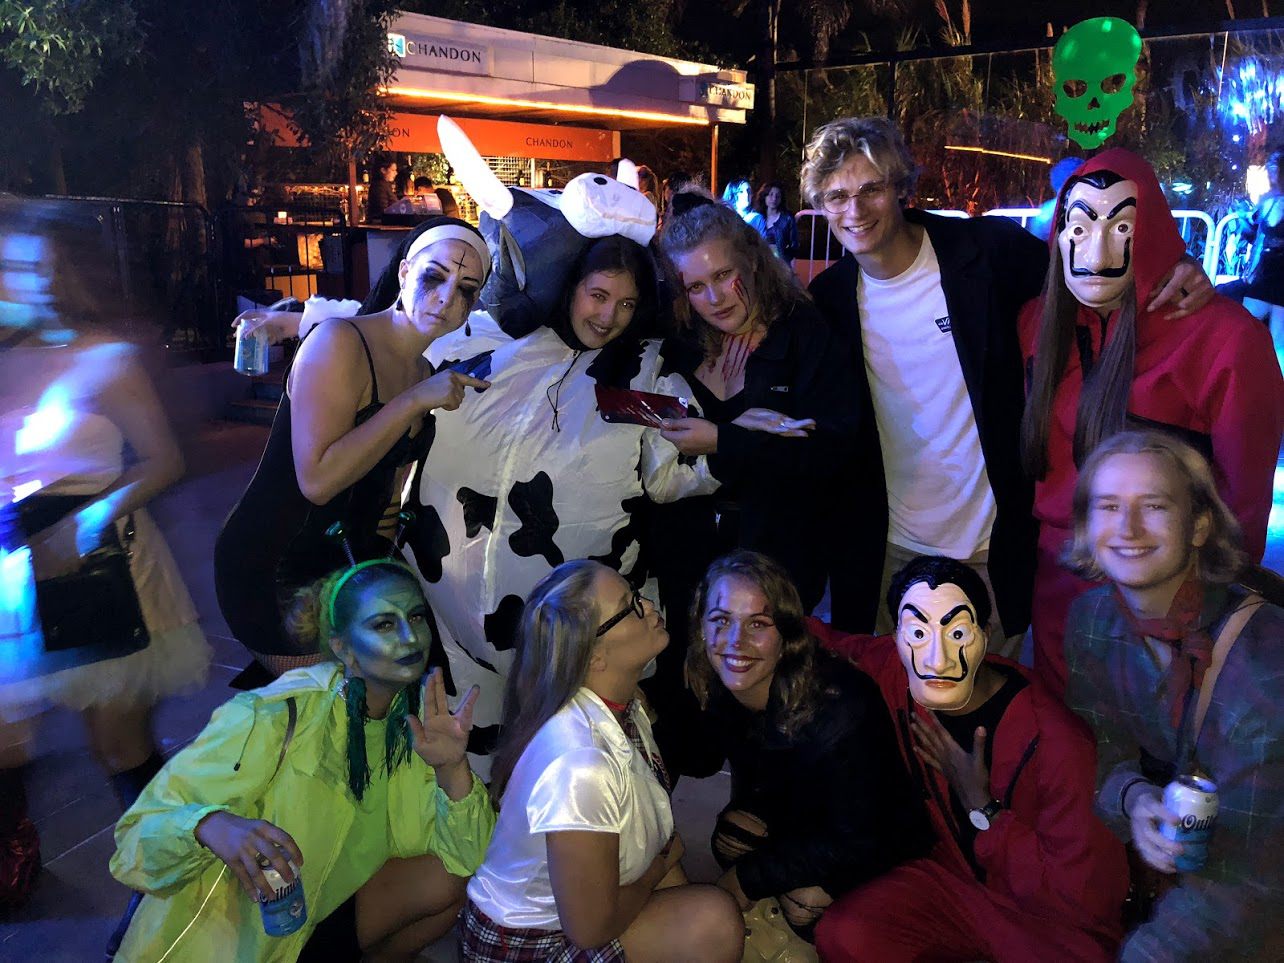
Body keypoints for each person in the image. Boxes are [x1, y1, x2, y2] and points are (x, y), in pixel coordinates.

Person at [802, 115, 1213, 641]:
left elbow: (1088, 276)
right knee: (889, 690)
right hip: (887, 549)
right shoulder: (829, 301)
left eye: (871, 189)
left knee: (994, 690)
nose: (855, 211)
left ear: (901, 188)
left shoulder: (989, 254)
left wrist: (1176, 262)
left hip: (989, 548)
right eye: (836, 197)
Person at [403, 235, 720, 774]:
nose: (608, 316)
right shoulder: (493, 340)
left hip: (573, 647)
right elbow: (393, 339)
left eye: (626, 303)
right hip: (449, 620)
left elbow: (676, 475)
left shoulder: (645, 372)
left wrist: (731, 434)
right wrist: (303, 321)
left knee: (575, 783)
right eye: (598, 295)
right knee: (461, 773)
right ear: (570, 287)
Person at [110, 559, 495, 962]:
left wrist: (452, 770)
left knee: (447, 882)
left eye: (416, 617)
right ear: (343, 649)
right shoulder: (272, 717)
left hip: (312, 916)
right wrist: (207, 825)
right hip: (238, 941)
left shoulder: (411, 726)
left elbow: (466, 859)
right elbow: (134, 840)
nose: (410, 637)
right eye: (384, 624)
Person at [0, 201, 210, 909]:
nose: (23, 278)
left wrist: (84, 522)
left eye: (39, 264)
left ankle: (180, 881)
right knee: (5, 738)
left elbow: (164, 459)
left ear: (69, 271)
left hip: (104, 565)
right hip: (15, 572)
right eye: (11, 263)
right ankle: (15, 870)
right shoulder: (8, 353)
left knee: (117, 745)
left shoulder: (107, 358)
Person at [1019, 148, 1284, 693]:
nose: (1097, 250)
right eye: (1080, 226)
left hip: (1166, 612)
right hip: (1055, 600)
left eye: (1121, 227)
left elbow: (1244, 507)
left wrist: (1206, 618)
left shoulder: (1225, 340)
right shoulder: (1035, 324)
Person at [811, 555, 1128, 962]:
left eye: (958, 633)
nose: (937, 659)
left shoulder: (1060, 742)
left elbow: (1083, 901)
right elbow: (829, 643)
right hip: (955, 884)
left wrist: (984, 810)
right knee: (846, 934)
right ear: (897, 639)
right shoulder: (895, 672)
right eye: (918, 633)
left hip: (1048, 920)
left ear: (985, 634)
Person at [215, 217, 491, 677]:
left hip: (346, 561)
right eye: (434, 276)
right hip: (275, 564)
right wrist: (413, 402)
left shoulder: (423, 371)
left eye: (466, 289)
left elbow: (388, 484)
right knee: (325, 706)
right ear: (404, 272)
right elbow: (318, 481)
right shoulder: (340, 342)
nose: (446, 298)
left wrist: (384, 544)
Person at [1063, 430, 1284, 960]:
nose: (1128, 528)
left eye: (1154, 506)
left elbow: (1247, 883)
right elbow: (1100, 749)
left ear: (1200, 525)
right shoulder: (1092, 622)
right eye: (1108, 506)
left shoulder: (1263, 667)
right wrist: (1135, 798)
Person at [461, 560, 743, 962]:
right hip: (523, 945)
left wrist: (667, 871)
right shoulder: (581, 763)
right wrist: (657, 870)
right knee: (714, 922)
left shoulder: (623, 707)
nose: (649, 605)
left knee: (701, 915)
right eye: (631, 606)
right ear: (594, 655)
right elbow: (589, 930)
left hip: (563, 924)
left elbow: (658, 840)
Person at [681, 551, 932, 948]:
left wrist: (749, 878)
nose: (735, 642)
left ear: (787, 633)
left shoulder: (838, 711)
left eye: (758, 623)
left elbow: (859, 836)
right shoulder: (716, 680)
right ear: (701, 625)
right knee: (730, 836)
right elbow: (726, 763)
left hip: (878, 834)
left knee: (804, 904)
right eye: (721, 620)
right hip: (804, 810)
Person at [1237, 149, 1284, 367]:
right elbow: (1254, 234)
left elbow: (1264, 231)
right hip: (1266, 273)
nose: (1270, 173)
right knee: (1250, 330)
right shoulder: (1269, 200)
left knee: (1275, 341)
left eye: (1274, 168)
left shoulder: (1271, 200)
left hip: (1274, 274)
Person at [753, 182, 799, 265]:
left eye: (778, 196)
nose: (774, 198)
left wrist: (784, 259)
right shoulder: (756, 218)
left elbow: (794, 245)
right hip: (760, 262)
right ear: (764, 196)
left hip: (780, 263)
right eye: (771, 195)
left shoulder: (787, 219)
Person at [367, 159, 398, 224]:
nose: (396, 173)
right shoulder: (379, 186)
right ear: (383, 170)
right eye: (393, 170)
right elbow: (382, 209)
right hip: (380, 224)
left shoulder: (385, 185)